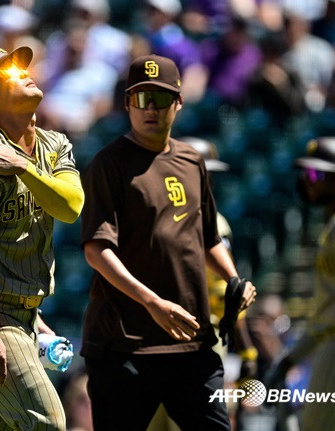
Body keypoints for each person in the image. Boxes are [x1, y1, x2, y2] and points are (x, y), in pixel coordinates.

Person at [79, 54, 256, 431]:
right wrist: (152, 302)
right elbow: (96, 250)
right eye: (141, 99)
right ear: (127, 103)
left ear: (178, 103)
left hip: (190, 342)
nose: (151, 109)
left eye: (161, 99)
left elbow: (208, 237)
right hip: (125, 343)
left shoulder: (193, 161)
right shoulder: (108, 163)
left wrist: (233, 278)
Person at [0, 45, 84, 430]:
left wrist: (22, 166)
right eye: (6, 72)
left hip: (22, 315)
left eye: (21, 66)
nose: (22, 72)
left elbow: (71, 206)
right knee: (48, 422)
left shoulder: (53, 145)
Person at [265, 137, 335, 431]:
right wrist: (289, 360)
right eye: (306, 173)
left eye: (316, 174)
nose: (307, 181)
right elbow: (328, 313)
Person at [183, 136, 259, 380]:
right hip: (190, 341)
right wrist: (247, 350)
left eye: (208, 175)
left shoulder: (211, 223)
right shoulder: (209, 222)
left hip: (191, 340)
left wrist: (246, 349)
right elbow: (223, 293)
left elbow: (224, 292)